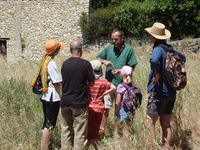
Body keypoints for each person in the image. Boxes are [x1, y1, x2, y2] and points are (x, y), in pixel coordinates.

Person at [145, 22, 186, 150]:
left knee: (150, 122)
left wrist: (157, 73)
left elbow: (155, 60)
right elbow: (183, 58)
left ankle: (151, 147)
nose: (150, 37)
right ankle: (166, 147)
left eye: (151, 35)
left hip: (158, 91)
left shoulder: (157, 49)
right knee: (166, 124)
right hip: (171, 91)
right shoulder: (171, 49)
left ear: (154, 37)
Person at [96, 28, 138, 135]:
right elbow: (97, 59)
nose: (113, 41)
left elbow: (132, 67)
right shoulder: (109, 49)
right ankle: (102, 131)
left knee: (119, 108)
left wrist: (120, 71)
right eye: (112, 39)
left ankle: (117, 131)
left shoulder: (129, 50)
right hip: (109, 85)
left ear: (122, 38)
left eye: (115, 39)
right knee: (105, 108)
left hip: (123, 86)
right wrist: (104, 61)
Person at [60, 40, 95, 150]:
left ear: (70, 51)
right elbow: (92, 82)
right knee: (79, 132)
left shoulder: (64, 64)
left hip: (65, 101)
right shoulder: (85, 64)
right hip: (79, 102)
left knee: (66, 129)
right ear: (81, 50)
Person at [31, 39, 64, 150]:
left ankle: (42, 145)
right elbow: (57, 81)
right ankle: (43, 148)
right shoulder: (52, 64)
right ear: (56, 51)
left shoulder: (45, 61)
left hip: (45, 96)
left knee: (46, 121)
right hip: (52, 97)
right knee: (49, 124)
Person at [87, 60, 116, 149]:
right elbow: (114, 88)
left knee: (90, 127)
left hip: (90, 107)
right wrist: (104, 94)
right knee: (97, 126)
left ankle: (91, 144)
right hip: (100, 108)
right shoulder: (103, 81)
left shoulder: (88, 82)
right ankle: (96, 141)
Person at [114, 66, 134, 138]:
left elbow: (118, 101)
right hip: (131, 107)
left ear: (121, 75)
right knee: (128, 121)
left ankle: (116, 133)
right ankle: (127, 135)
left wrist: (116, 110)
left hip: (123, 107)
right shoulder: (133, 84)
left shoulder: (121, 86)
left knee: (119, 120)